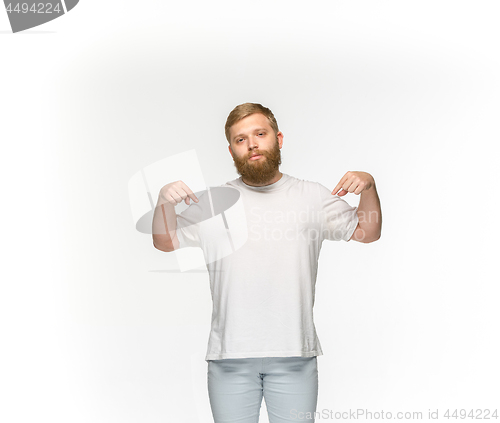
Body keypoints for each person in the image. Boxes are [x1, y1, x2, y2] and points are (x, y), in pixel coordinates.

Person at [152, 103, 382, 423]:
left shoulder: (311, 197)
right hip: (229, 359)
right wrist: (164, 200)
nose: (252, 144)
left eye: (260, 134)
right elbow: (165, 241)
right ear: (232, 150)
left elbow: (367, 232)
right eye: (241, 139)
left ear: (279, 138)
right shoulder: (213, 203)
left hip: (294, 357)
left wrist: (368, 185)